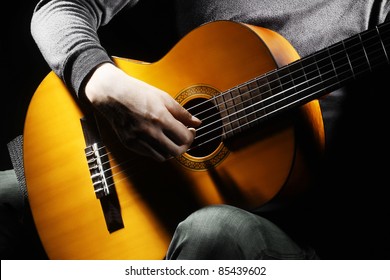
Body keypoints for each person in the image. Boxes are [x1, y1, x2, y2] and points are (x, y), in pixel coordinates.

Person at [2, 0, 390, 259]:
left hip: (284, 229)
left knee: (212, 231)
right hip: (116, 176)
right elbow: (58, 8)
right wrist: (107, 87)